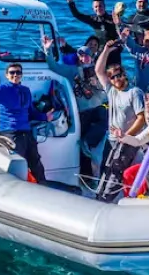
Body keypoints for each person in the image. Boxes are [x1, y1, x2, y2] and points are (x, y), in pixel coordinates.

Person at [41, 36, 108, 176]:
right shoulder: (72, 71)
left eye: (87, 55)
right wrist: (48, 50)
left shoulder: (98, 71)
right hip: (82, 113)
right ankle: (86, 172)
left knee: (96, 140)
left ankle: (98, 170)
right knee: (82, 143)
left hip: (99, 110)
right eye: (81, 55)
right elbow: (53, 66)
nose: (84, 58)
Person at [94, 40, 146, 202]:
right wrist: (106, 50)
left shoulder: (134, 92)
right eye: (112, 77)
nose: (116, 78)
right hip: (111, 139)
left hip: (127, 141)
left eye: (118, 75)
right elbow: (98, 70)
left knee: (116, 173)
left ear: (124, 74)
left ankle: (107, 201)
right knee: (105, 168)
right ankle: (99, 197)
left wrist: (125, 136)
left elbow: (141, 118)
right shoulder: (111, 90)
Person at [65, 0, 121, 66]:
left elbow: (123, 31)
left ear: (104, 7)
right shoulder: (93, 20)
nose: (98, 8)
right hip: (100, 53)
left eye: (100, 6)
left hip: (114, 52)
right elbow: (77, 15)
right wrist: (70, 2)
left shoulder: (112, 19)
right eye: (96, 7)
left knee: (115, 72)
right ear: (93, 9)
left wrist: (119, 23)